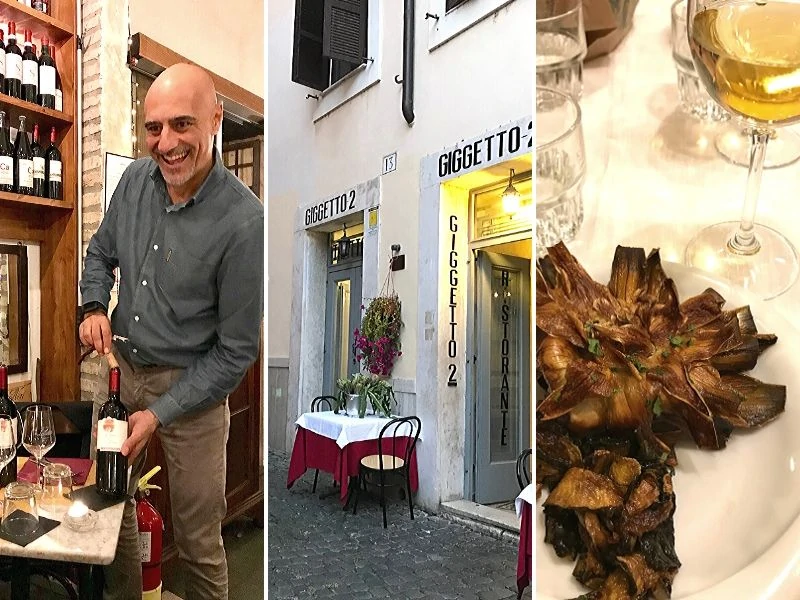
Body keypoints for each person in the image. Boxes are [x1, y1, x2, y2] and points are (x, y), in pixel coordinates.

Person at [78, 63, 263, 600]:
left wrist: (159, 414)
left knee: (201, 542)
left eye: (182, 124)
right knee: (110, 514)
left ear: (215, 120)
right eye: (154, 127)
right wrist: (93, 306)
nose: (167, 142)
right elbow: (99, 252)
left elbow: (236, 353)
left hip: (194, 396)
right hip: (123, 375)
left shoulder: (244, 222)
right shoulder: (136, 179)